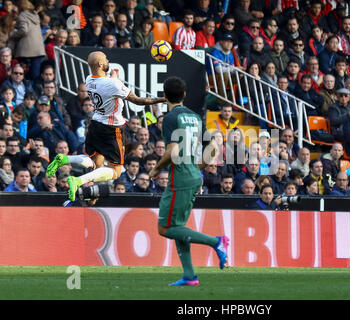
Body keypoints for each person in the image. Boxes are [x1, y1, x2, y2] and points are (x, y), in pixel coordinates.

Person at [45, 51, 165, 202]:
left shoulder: (89, 80)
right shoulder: (113, 84)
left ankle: (65, 159)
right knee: (117, 171)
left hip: (96, 125)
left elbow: (108, 85)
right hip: (112, 129)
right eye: (106, 59)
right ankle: (77, 181)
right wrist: (161, 99)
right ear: (101, 64)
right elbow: (138, 100)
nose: (108, 60)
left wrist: (114, 77)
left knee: (95, 163)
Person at [149, 76, 228, 286]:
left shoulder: (170, 118)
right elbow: (214, 148)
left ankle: (217, 242)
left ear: (165, 96)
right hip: (194, 177)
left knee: (165, 229)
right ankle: (190, 275)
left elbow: (172, 150)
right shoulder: (195, 117)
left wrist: (156, 168)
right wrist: (197, 167)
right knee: (178, 226)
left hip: (180, 178)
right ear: (184, 95)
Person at [8, 0, 45, 80]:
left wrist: (12, 34)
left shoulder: (22, 15)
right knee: (35, 75)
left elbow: (24, 30)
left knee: (22, 75)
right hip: (38, 49)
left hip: (25, 50)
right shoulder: (35, 15)